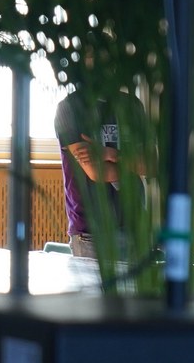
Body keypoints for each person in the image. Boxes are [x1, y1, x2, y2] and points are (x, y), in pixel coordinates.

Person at [54, 88, 142, 260]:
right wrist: (132, 164)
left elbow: (150, 164)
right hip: (90, 231)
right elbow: (97, 172)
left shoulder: (132, 105)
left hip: (134, 224)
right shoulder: (70, 108)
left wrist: (108, 154)